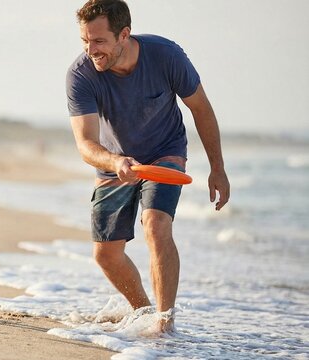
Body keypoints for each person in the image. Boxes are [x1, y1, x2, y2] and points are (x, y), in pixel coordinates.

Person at [66, 0, 230, 332]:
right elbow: (85, 144)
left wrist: (218, 168)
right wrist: (115, 161)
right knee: (106, 255)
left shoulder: (165, 56)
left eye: (98, 41)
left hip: (164, 152)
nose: (90, 49)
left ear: (123, 34)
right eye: (85, 41)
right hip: (115, 161)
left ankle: (164, 323)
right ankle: (143, 311)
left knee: (155, 226)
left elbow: (201, 108)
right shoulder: (81, 75)